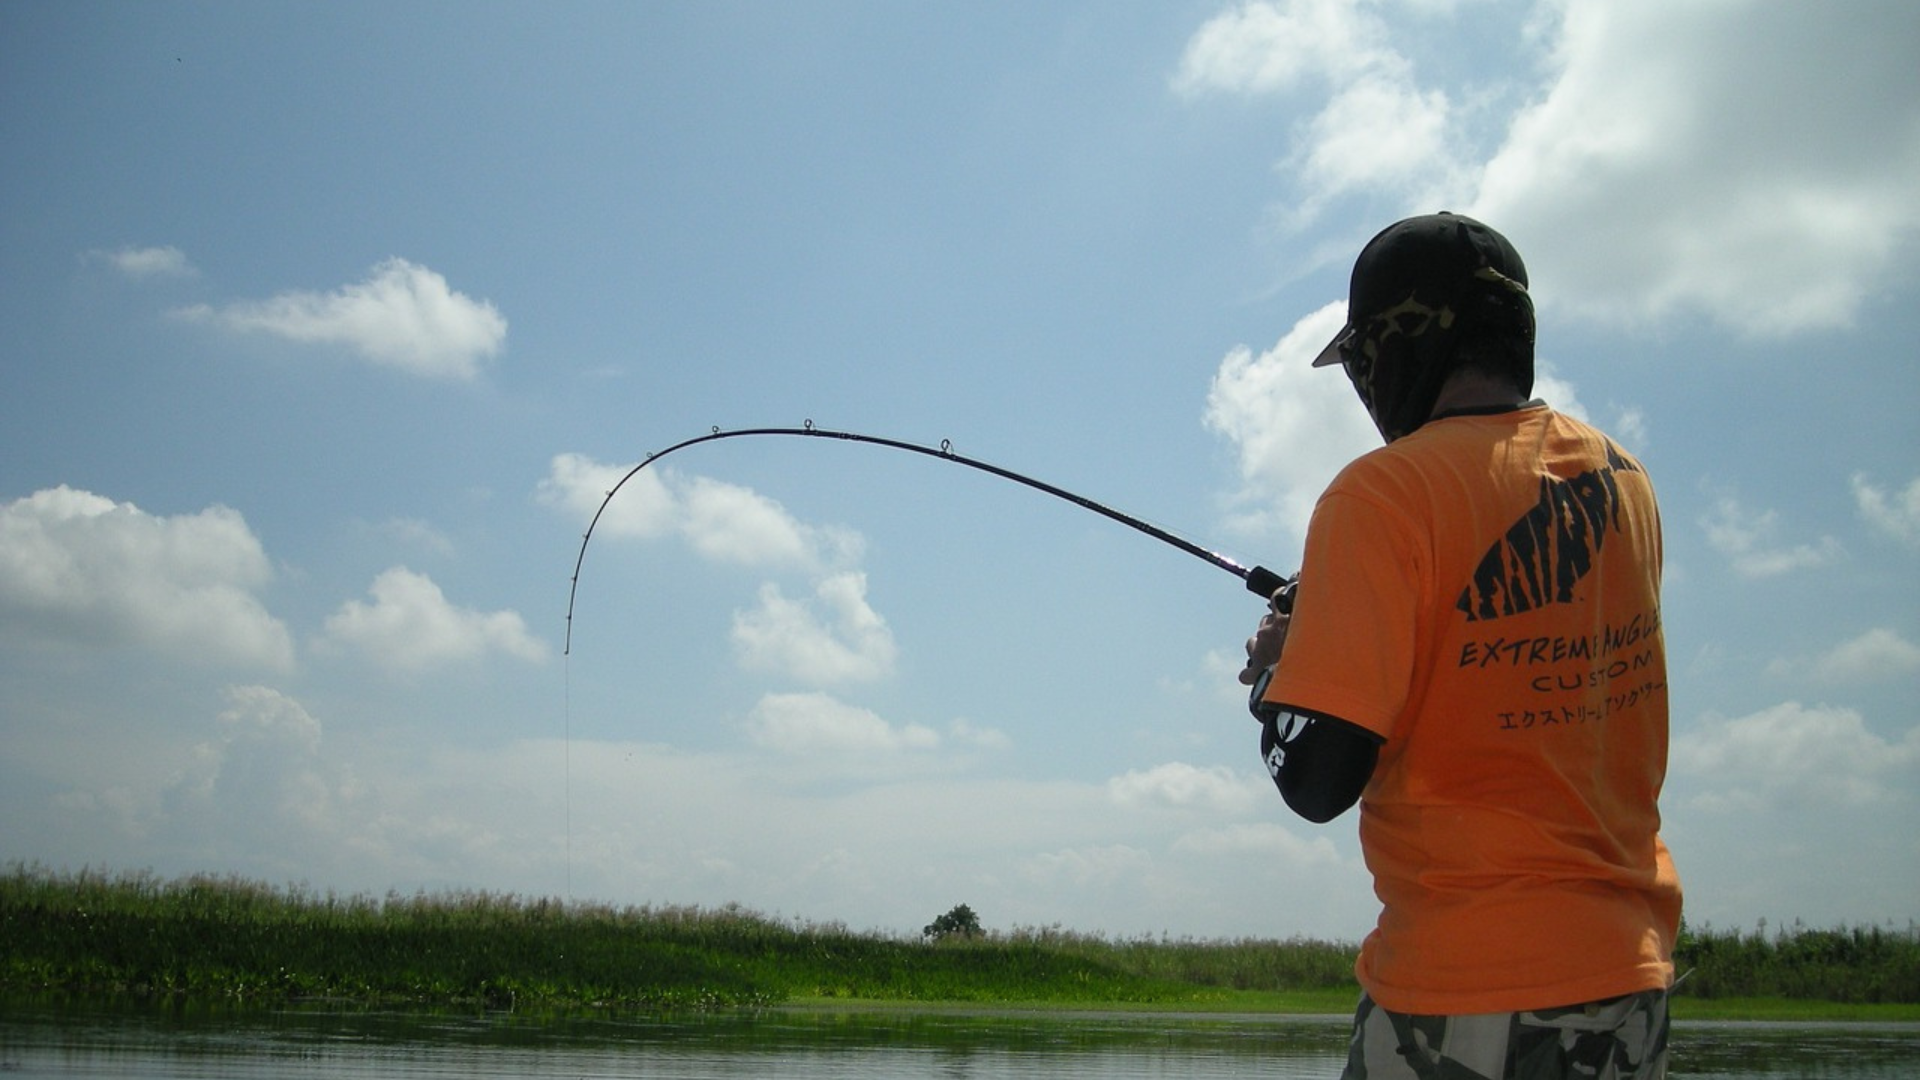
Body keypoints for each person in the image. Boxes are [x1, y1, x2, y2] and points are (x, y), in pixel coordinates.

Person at [1237, 212, 1683, 1080]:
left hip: (1465, 988)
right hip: (1628, 981)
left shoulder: (1381, 495)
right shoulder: (1625, 478)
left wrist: (1276, 674)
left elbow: (1319, 781)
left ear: (1394, 350)